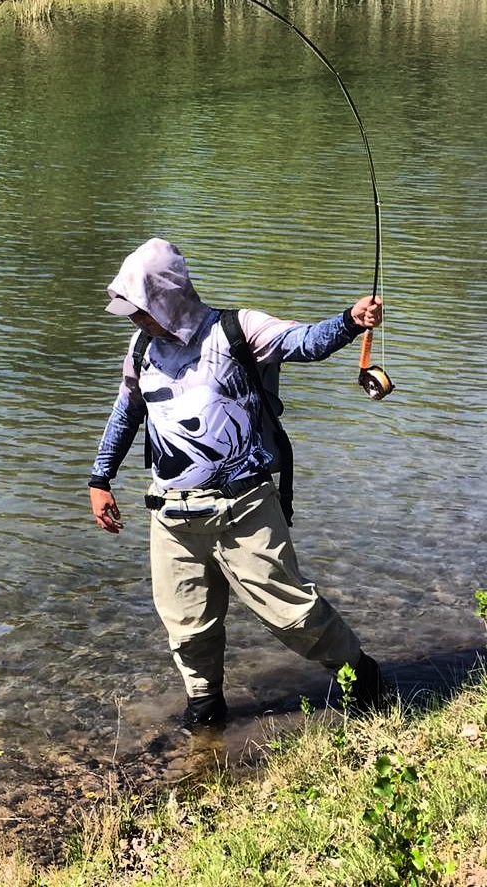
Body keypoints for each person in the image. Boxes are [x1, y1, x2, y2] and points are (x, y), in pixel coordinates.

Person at [88, 238, 386, 731]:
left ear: (167, 297)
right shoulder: (142, 348)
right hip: (171, 516)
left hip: (243, 508)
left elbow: (305, 343)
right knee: (187, 629)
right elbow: (127, 412)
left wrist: (350, 321)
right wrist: (101, 477)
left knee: (291, 615)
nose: (134, 320)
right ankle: (206, 715)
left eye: (140, 309)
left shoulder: (237, 330)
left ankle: (363, 677)